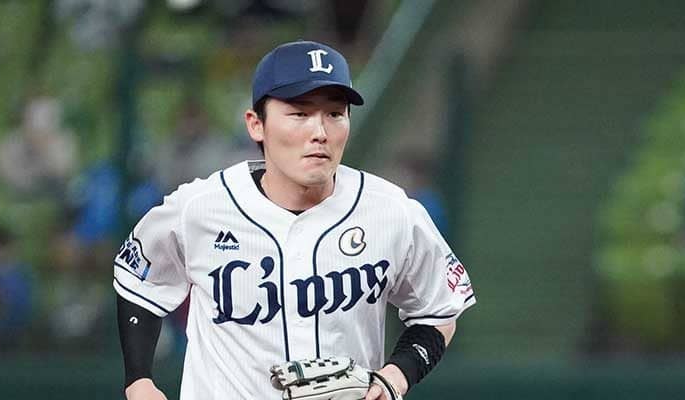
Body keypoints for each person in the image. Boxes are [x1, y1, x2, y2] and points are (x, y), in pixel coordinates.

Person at [115, 40, 475, 400]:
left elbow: (439, 309)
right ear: (256, 125)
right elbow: (139, 280)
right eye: (300, 113)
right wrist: (139, 379)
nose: (320, 132)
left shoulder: (391, 211)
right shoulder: (199, 208)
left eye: (335, 113)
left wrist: (397, 375)